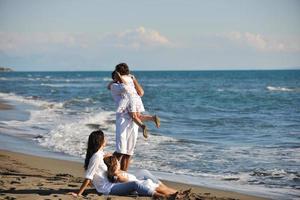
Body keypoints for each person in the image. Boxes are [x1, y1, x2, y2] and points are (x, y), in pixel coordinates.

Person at [70, 130, 161, 198]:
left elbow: (100, 172)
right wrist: (79, 193)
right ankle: (158, 196)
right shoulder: (96, 156)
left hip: (112, 183)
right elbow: (88, 177)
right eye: (104, 137)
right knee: (135, 184)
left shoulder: (101, 154)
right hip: (108, 188)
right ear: (100, 141)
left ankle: (161, 187)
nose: (106, 139)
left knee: (143, 173)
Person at [114, 63, 160, 139]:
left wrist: (118, 77)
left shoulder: (122, 78)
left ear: (118, 71)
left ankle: (142, 126)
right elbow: (141, 92)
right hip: (137, 97)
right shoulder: (131, 77)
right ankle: (152, 118)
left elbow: (124, 86)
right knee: (138, 116)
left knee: (133, 116)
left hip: (130, 98)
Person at [104, 155, 179, 199]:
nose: (119, 163)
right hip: (141, 184)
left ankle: (176, 193)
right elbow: (128, 182)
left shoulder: (117, 172)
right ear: (115, 166)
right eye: (118, 162)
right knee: (159, 188)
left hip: (139, 182)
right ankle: (173, 195)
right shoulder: (118, 176)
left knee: (160, 187)